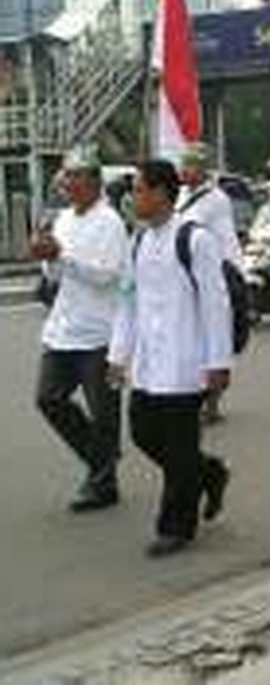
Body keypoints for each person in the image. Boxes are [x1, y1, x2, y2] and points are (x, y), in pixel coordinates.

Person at [108, 161, 232, 558]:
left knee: (178, 448)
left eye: (140, 189)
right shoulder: (139, 242)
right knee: (143, 432)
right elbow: (127, 302)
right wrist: (118, 355)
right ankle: (208, 472)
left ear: (162, 193)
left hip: (186, 363)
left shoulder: (195, 240)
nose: (134, 197)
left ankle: (176, 526)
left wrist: (218, 362)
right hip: (149, 364)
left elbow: (217, 304)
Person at [31, 148, 129, 513]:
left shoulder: (110, 222)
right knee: (48, 398)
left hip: (99, 332)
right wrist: (45, 254)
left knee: (103, 412)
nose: (67, 184)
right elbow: (54, 276)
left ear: (92, 181)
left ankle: (103, 482)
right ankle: (103, 458)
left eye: (73, 177)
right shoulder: (63, 219)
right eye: (65, 177)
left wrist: (62, 257)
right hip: (63, 327)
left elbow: (106, 276)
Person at [176, 144, 241, 424]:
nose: (185, 169)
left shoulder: (216, 199)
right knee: (191, 338)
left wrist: (232, 276)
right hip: (185, 275)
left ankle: (212, 402)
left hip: (213, 272)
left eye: (192, 165)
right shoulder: (181, 195)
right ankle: (195, 396)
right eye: (184, 164)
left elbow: (225, 240)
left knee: (212, 338)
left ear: (204, 169)